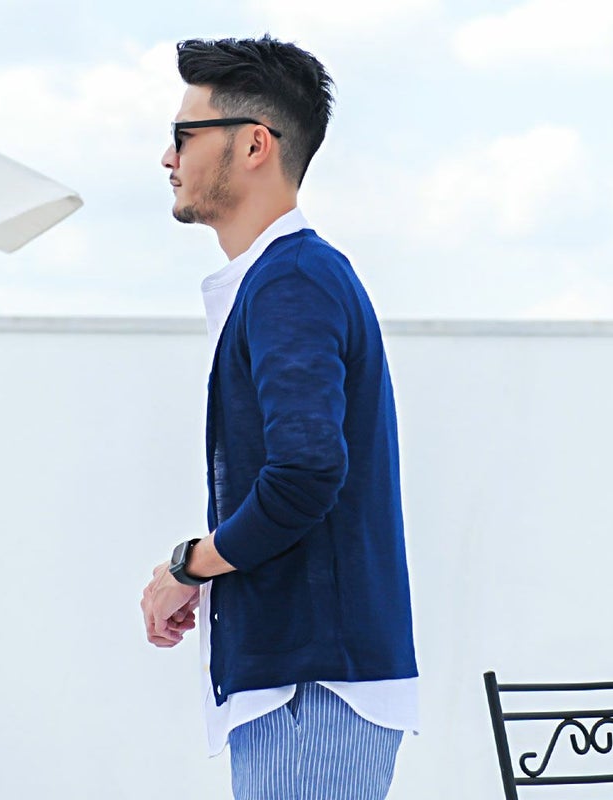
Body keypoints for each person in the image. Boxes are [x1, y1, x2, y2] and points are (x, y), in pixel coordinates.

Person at [141, 35, 418, 800]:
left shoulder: (291, 282)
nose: (167, 158)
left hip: (310, 688)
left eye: (183, 135)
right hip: (307, 684)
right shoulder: (285, 279)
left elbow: (304, 473)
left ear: (254, 144)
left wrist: (188, 565)